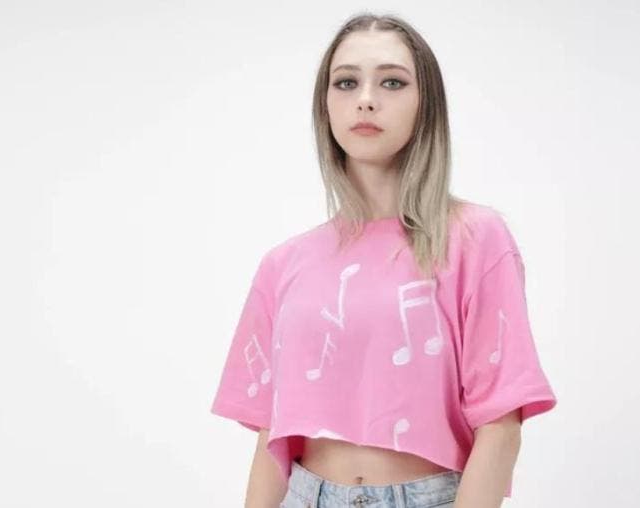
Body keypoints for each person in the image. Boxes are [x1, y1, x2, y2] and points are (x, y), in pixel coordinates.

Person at [210, 12, 557, 508]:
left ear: (425, 104)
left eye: (392, 82)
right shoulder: (284, 264)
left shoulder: (474, 238)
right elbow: (273, 434)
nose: (366, 98)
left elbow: (501, 425)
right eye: (346, 82)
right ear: (326, 105)